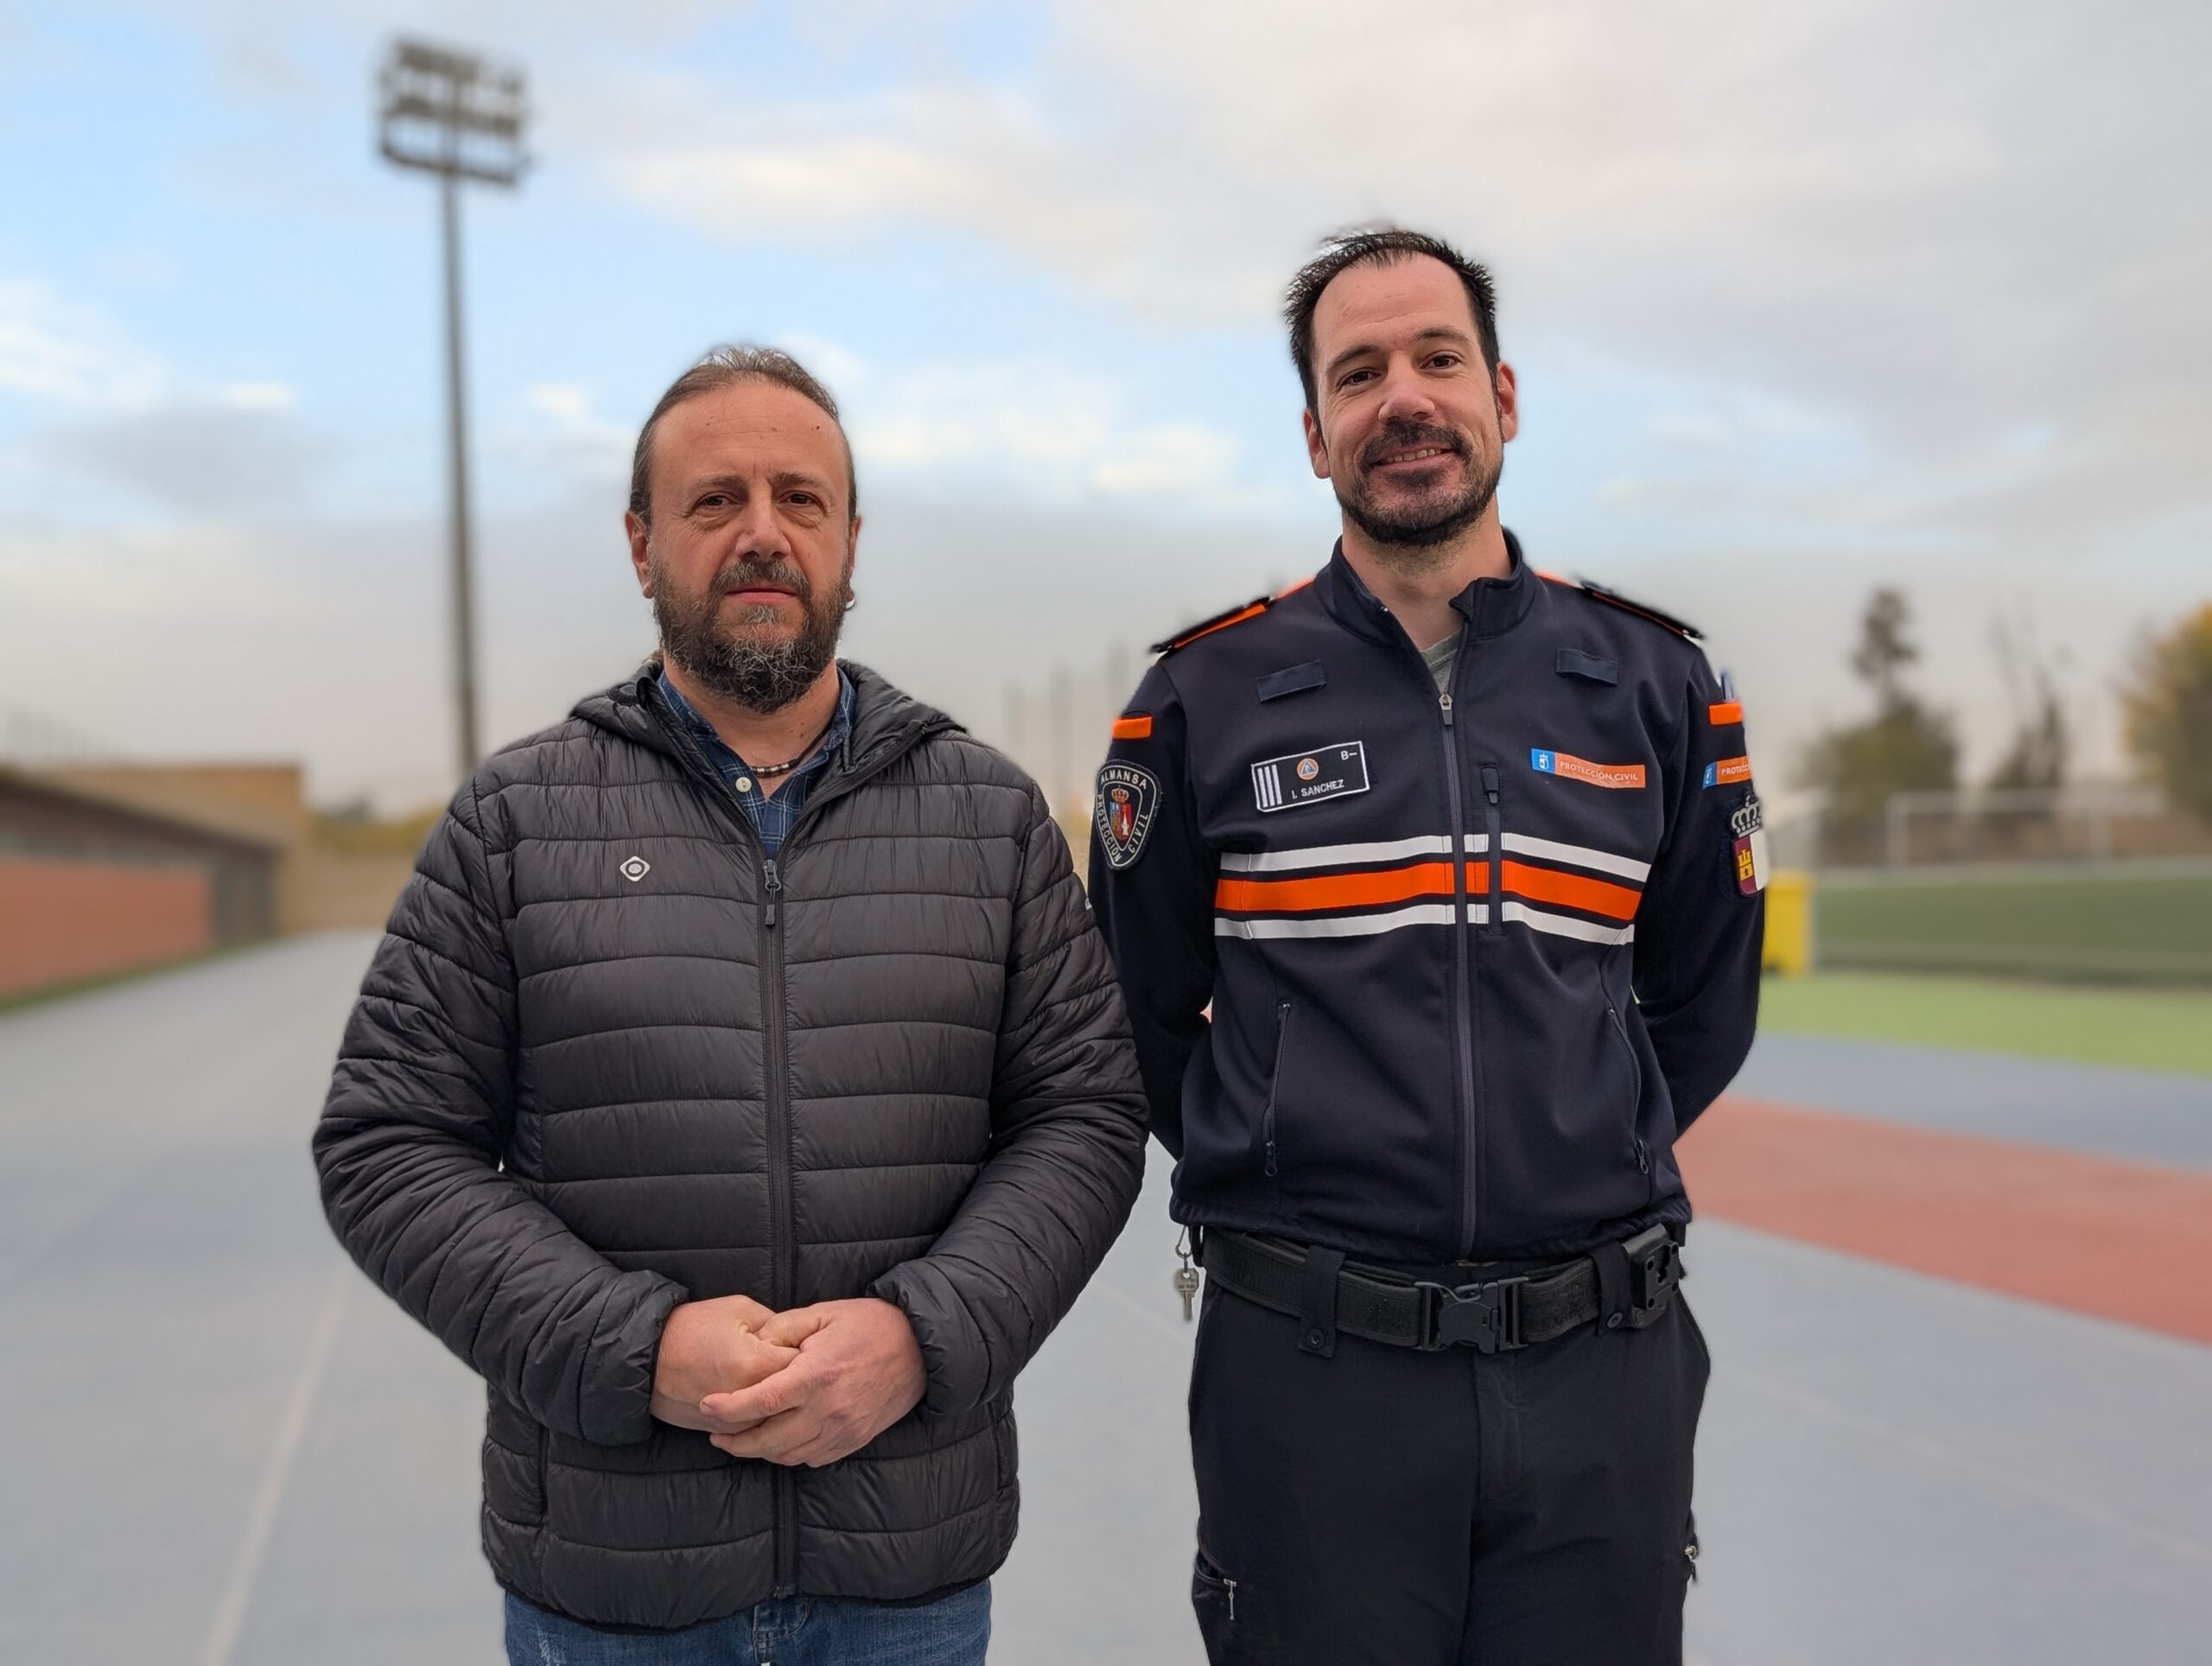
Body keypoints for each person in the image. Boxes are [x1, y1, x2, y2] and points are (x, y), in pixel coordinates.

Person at [314, 345, 1147, 1664]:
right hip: (613, 1586)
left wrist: (923, 1337)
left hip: (906, 1575)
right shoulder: (516, 821)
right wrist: (634, 1349)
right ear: (642, 545)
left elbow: (1086, 1117)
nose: (763, 532)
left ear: (851, 539)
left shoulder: (987, 818)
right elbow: (385, 1146)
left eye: (800, 499)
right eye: (715, 501)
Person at [1089, 228, 1764, 1666]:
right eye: (1359, 373)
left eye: (1437, 358)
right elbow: (1138, 1015)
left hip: (1602, 1367)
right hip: (1310, 1377)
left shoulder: (1655, 682)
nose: (1403, 397)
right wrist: (1292, 1160)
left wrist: (1573, 1146)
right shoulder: (1198, 700)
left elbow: (1706, 1001)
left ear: (1502, 397)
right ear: (1314, 435)